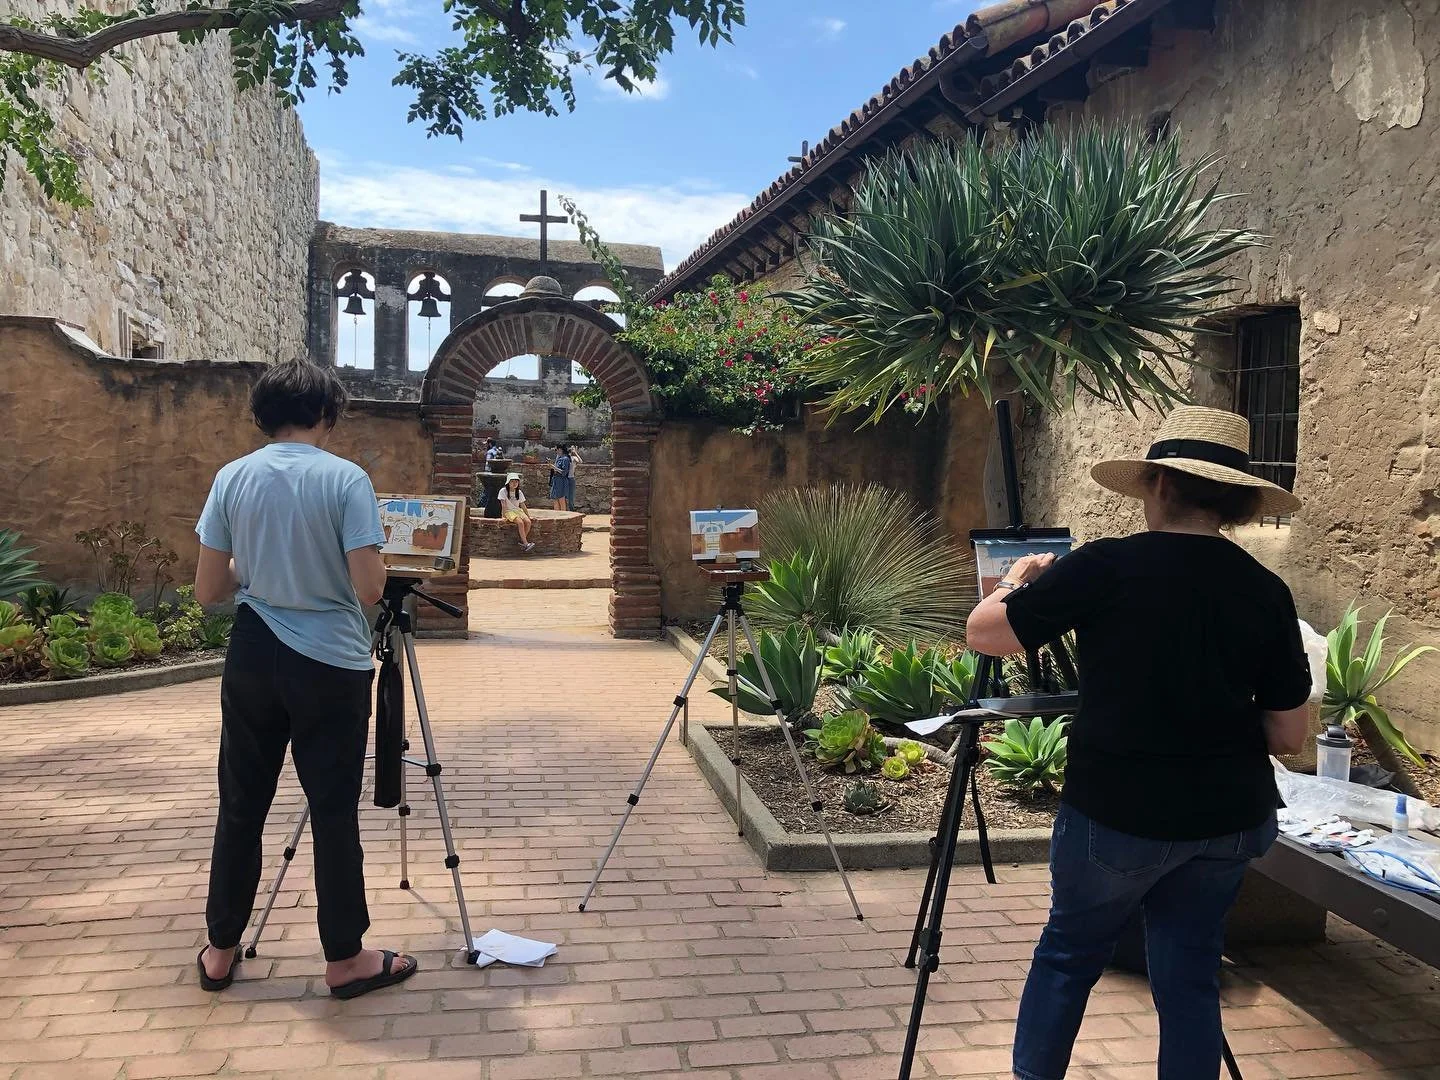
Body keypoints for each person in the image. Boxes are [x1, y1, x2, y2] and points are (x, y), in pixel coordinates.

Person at [964, 406, 1313, 1080]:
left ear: (1159, 483)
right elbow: (1288, 733)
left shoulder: (1106, 566)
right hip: (1228, 817)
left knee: (1069, 956)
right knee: (1189, 974)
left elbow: (985, 633)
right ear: (1236, 500)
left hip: (1118, 811)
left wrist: (1014, 581)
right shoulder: (1266, 590)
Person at [192, 359, 418, 1000]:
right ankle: (345, 958)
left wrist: (257, 566)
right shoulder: (346, 479)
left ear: (263, 414)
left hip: (254, 653)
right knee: (332, 811)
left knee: (241, 805)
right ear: (326, 413)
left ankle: (219, 949)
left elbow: (209, 587)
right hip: (329, 664)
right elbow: (369, 587)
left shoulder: (232, 477)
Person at [498, 471, 534, 552]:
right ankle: (526, 543)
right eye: (512, 481)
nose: (514, 483)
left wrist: (528, 516)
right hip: (509, 511)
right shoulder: (503, 491)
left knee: (528, 522)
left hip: (518, 511)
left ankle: (522, 541)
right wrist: (503, 516)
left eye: (516, 481)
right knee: (520, 523)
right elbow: (503, 505)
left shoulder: (519, 492)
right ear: (508, 482)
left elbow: (523, 505)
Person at [549, 444, 572, 510]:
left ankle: (563, 515)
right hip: (556, 480)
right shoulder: (559, 458)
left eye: (556, 450)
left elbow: (564, 472)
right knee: (555, 499)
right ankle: (557, 514)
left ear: (560, 450)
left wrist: (554, 467)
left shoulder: (565, 459)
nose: (556, 451)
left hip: (561, 481)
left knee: (561, 499)